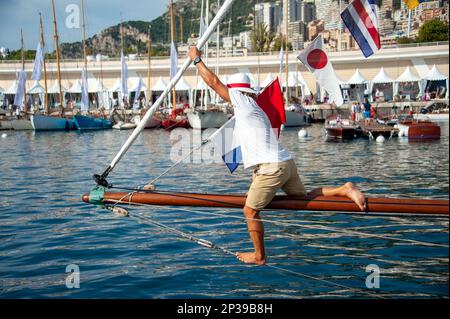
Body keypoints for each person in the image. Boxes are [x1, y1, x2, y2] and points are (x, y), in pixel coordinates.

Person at [188, 47, 367, 266]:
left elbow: (214, 82)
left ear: (236, 91)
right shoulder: (254, 107)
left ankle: (259, 255)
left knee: (250, 209)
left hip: (272, 167)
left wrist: (196, 59)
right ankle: (344, 189)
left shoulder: (241, 101)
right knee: (304, 198)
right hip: (285, 163)